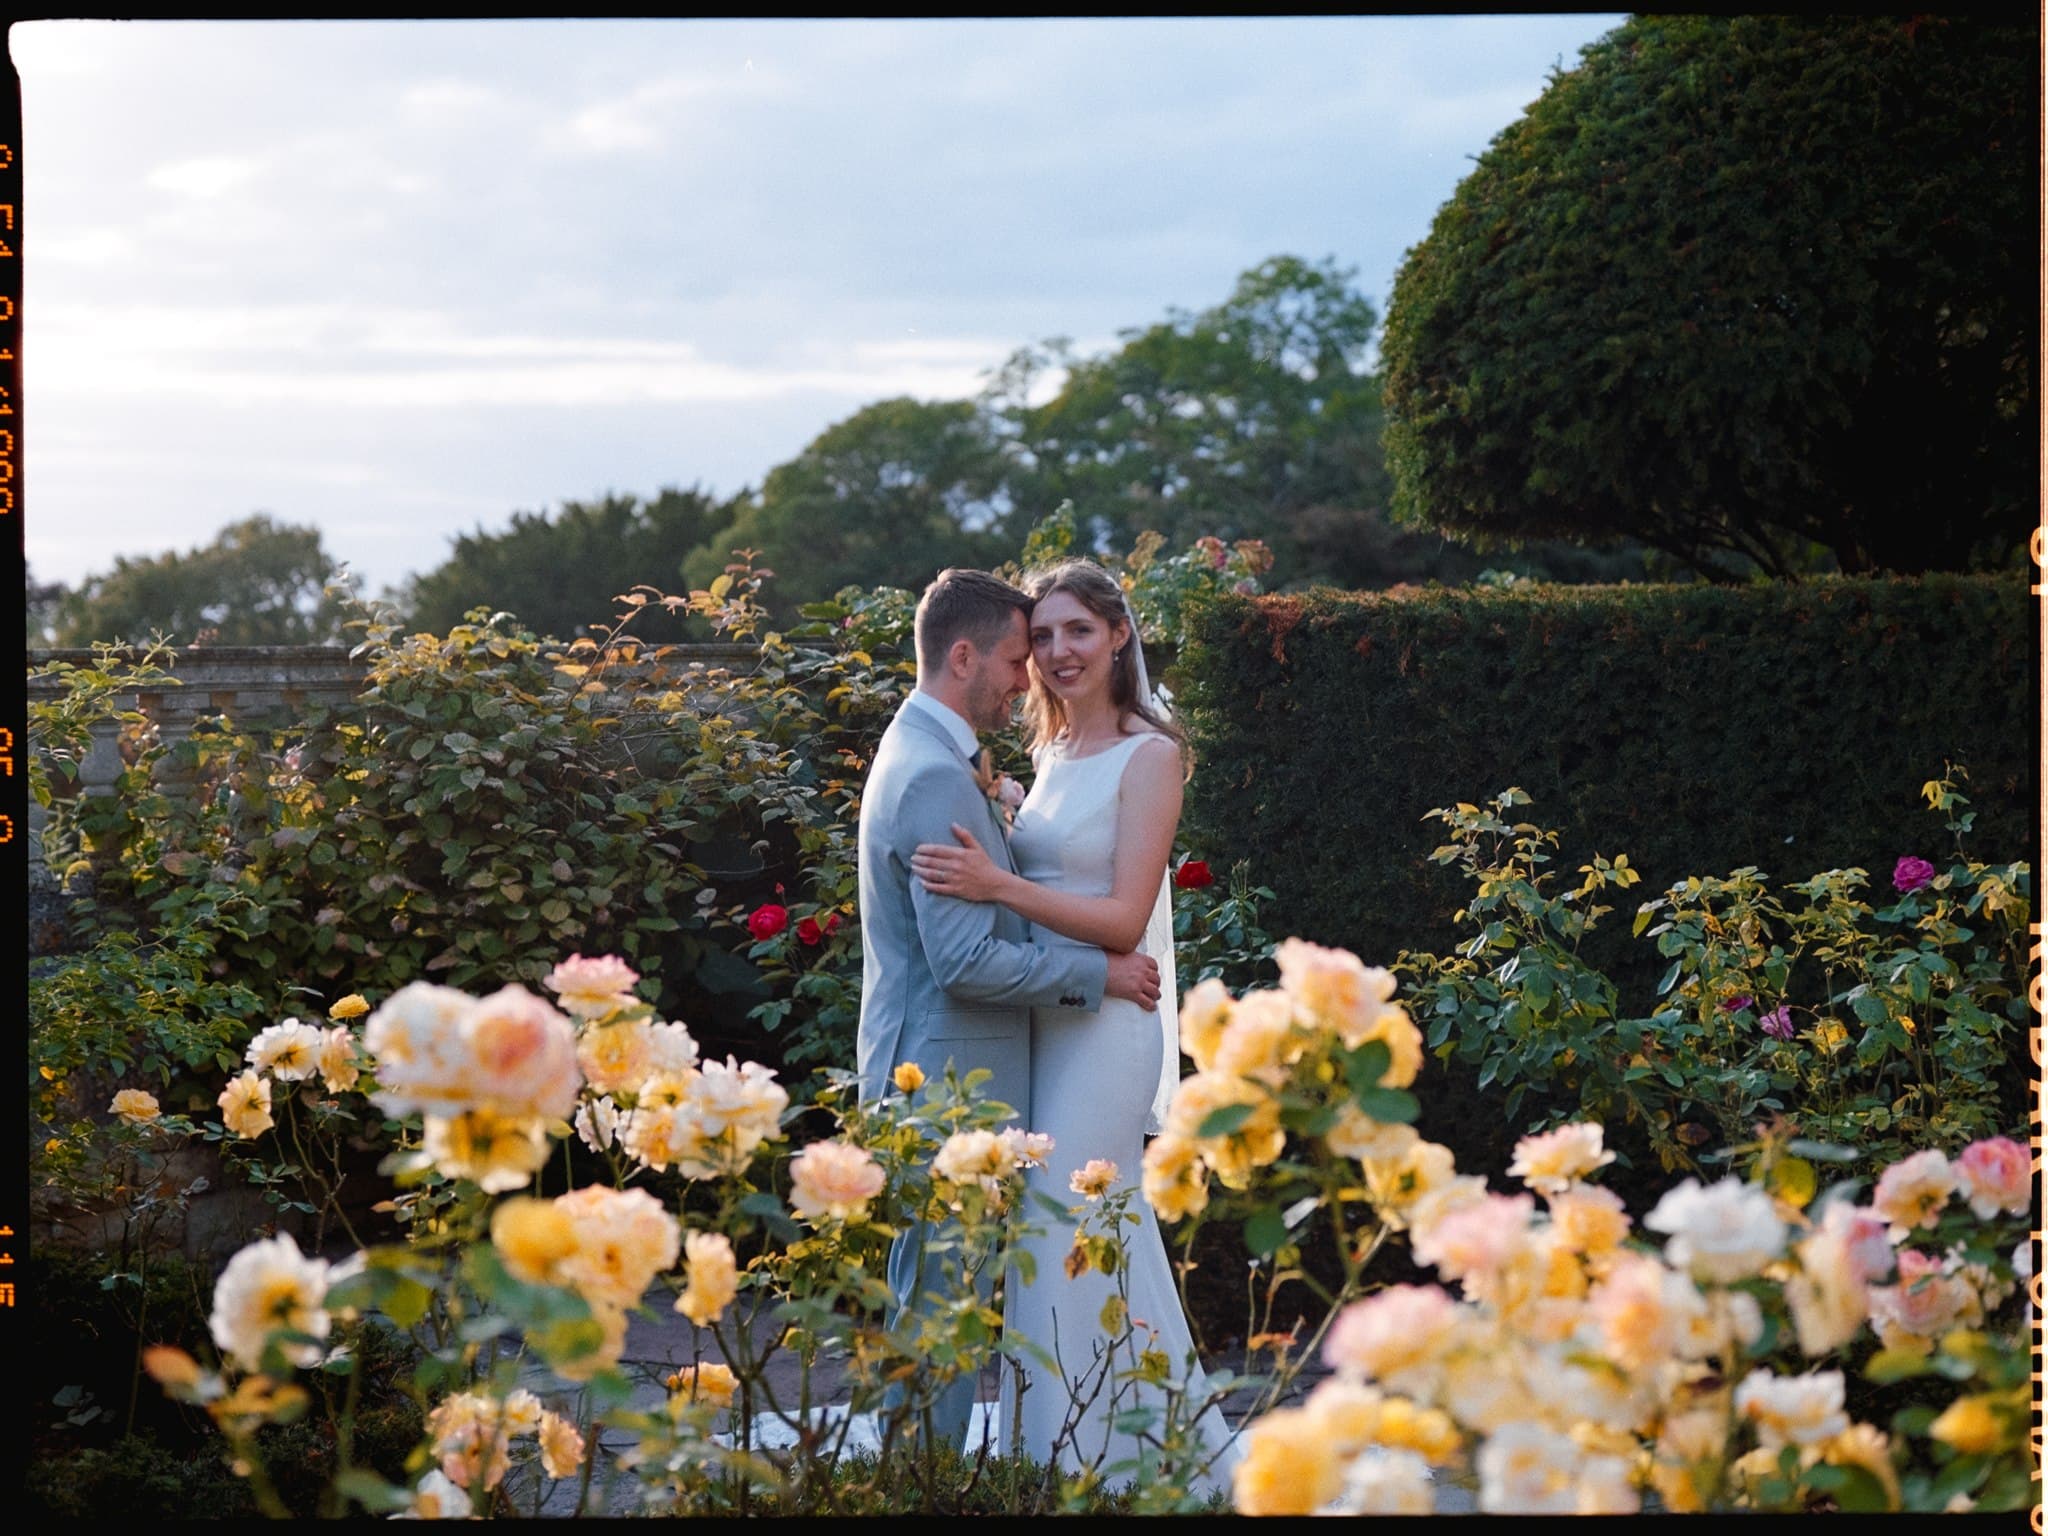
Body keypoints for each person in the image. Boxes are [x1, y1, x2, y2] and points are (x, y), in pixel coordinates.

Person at [910, 558, 1242, 1496]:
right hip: (1048, 1015)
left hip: (1108, 1022)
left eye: (1077, 633)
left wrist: (998, 882)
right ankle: (1085, 1445)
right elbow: (1062, 864)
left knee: (1070, 1215)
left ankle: (1082, 1461)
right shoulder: (1051, 754)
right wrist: (1007, 810)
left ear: (1119, 636)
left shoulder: (1152, 754)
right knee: (1060, 1225)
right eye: (1043, 637)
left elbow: (1127, 917)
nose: (1056, 653)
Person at [855, 566, 1163, 1452]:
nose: (1031, 672)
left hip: (986, 1061)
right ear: (964, 655)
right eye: (1022, 652)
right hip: (947, 1071)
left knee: (943, 1297)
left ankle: (992, 1460)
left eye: (1068, 639)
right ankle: (922, 1481)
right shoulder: (933, 775)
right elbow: (959, 961)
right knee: (943, 1304)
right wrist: (1092, 973)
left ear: (1116, 639)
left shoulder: (937, 756)